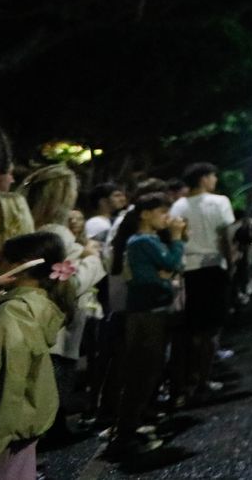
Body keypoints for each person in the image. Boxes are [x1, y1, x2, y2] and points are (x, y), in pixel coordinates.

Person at [0, 231, 75, 480]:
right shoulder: (35, 308)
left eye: (1, 260)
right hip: (15, 441)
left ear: (20, 267)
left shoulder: (10, 319)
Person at [15, 166, 106, 443]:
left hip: (31, 319)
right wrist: (91, 258)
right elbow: (69, 280)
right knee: (53, 384)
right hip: (58, 322)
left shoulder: (24, 227)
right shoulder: (56, 234)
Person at [105, 194, 184, 460]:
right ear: (145, 214)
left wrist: (165, 274)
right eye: (162, 212)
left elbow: (166, 269)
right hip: (147, 314)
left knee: (145, 373)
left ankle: (129, 429)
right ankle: (124, 435)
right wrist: (174, 241)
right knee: (142, 375)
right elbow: (169, 266)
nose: (167, 217)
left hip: (146, 313)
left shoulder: (143, 241)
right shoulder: (143, 242)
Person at [169, 162, 235, 402]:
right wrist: (231, 264)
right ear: (204, 179)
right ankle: (203, 379)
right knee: (213, 327)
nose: (215, 180)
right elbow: (225, 237)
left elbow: (177, 236)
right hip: (214, 266)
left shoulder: (178, 206)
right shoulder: (220, 202)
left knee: (194, 327)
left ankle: (191, 379)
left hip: (189, 270)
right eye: (213, 176)